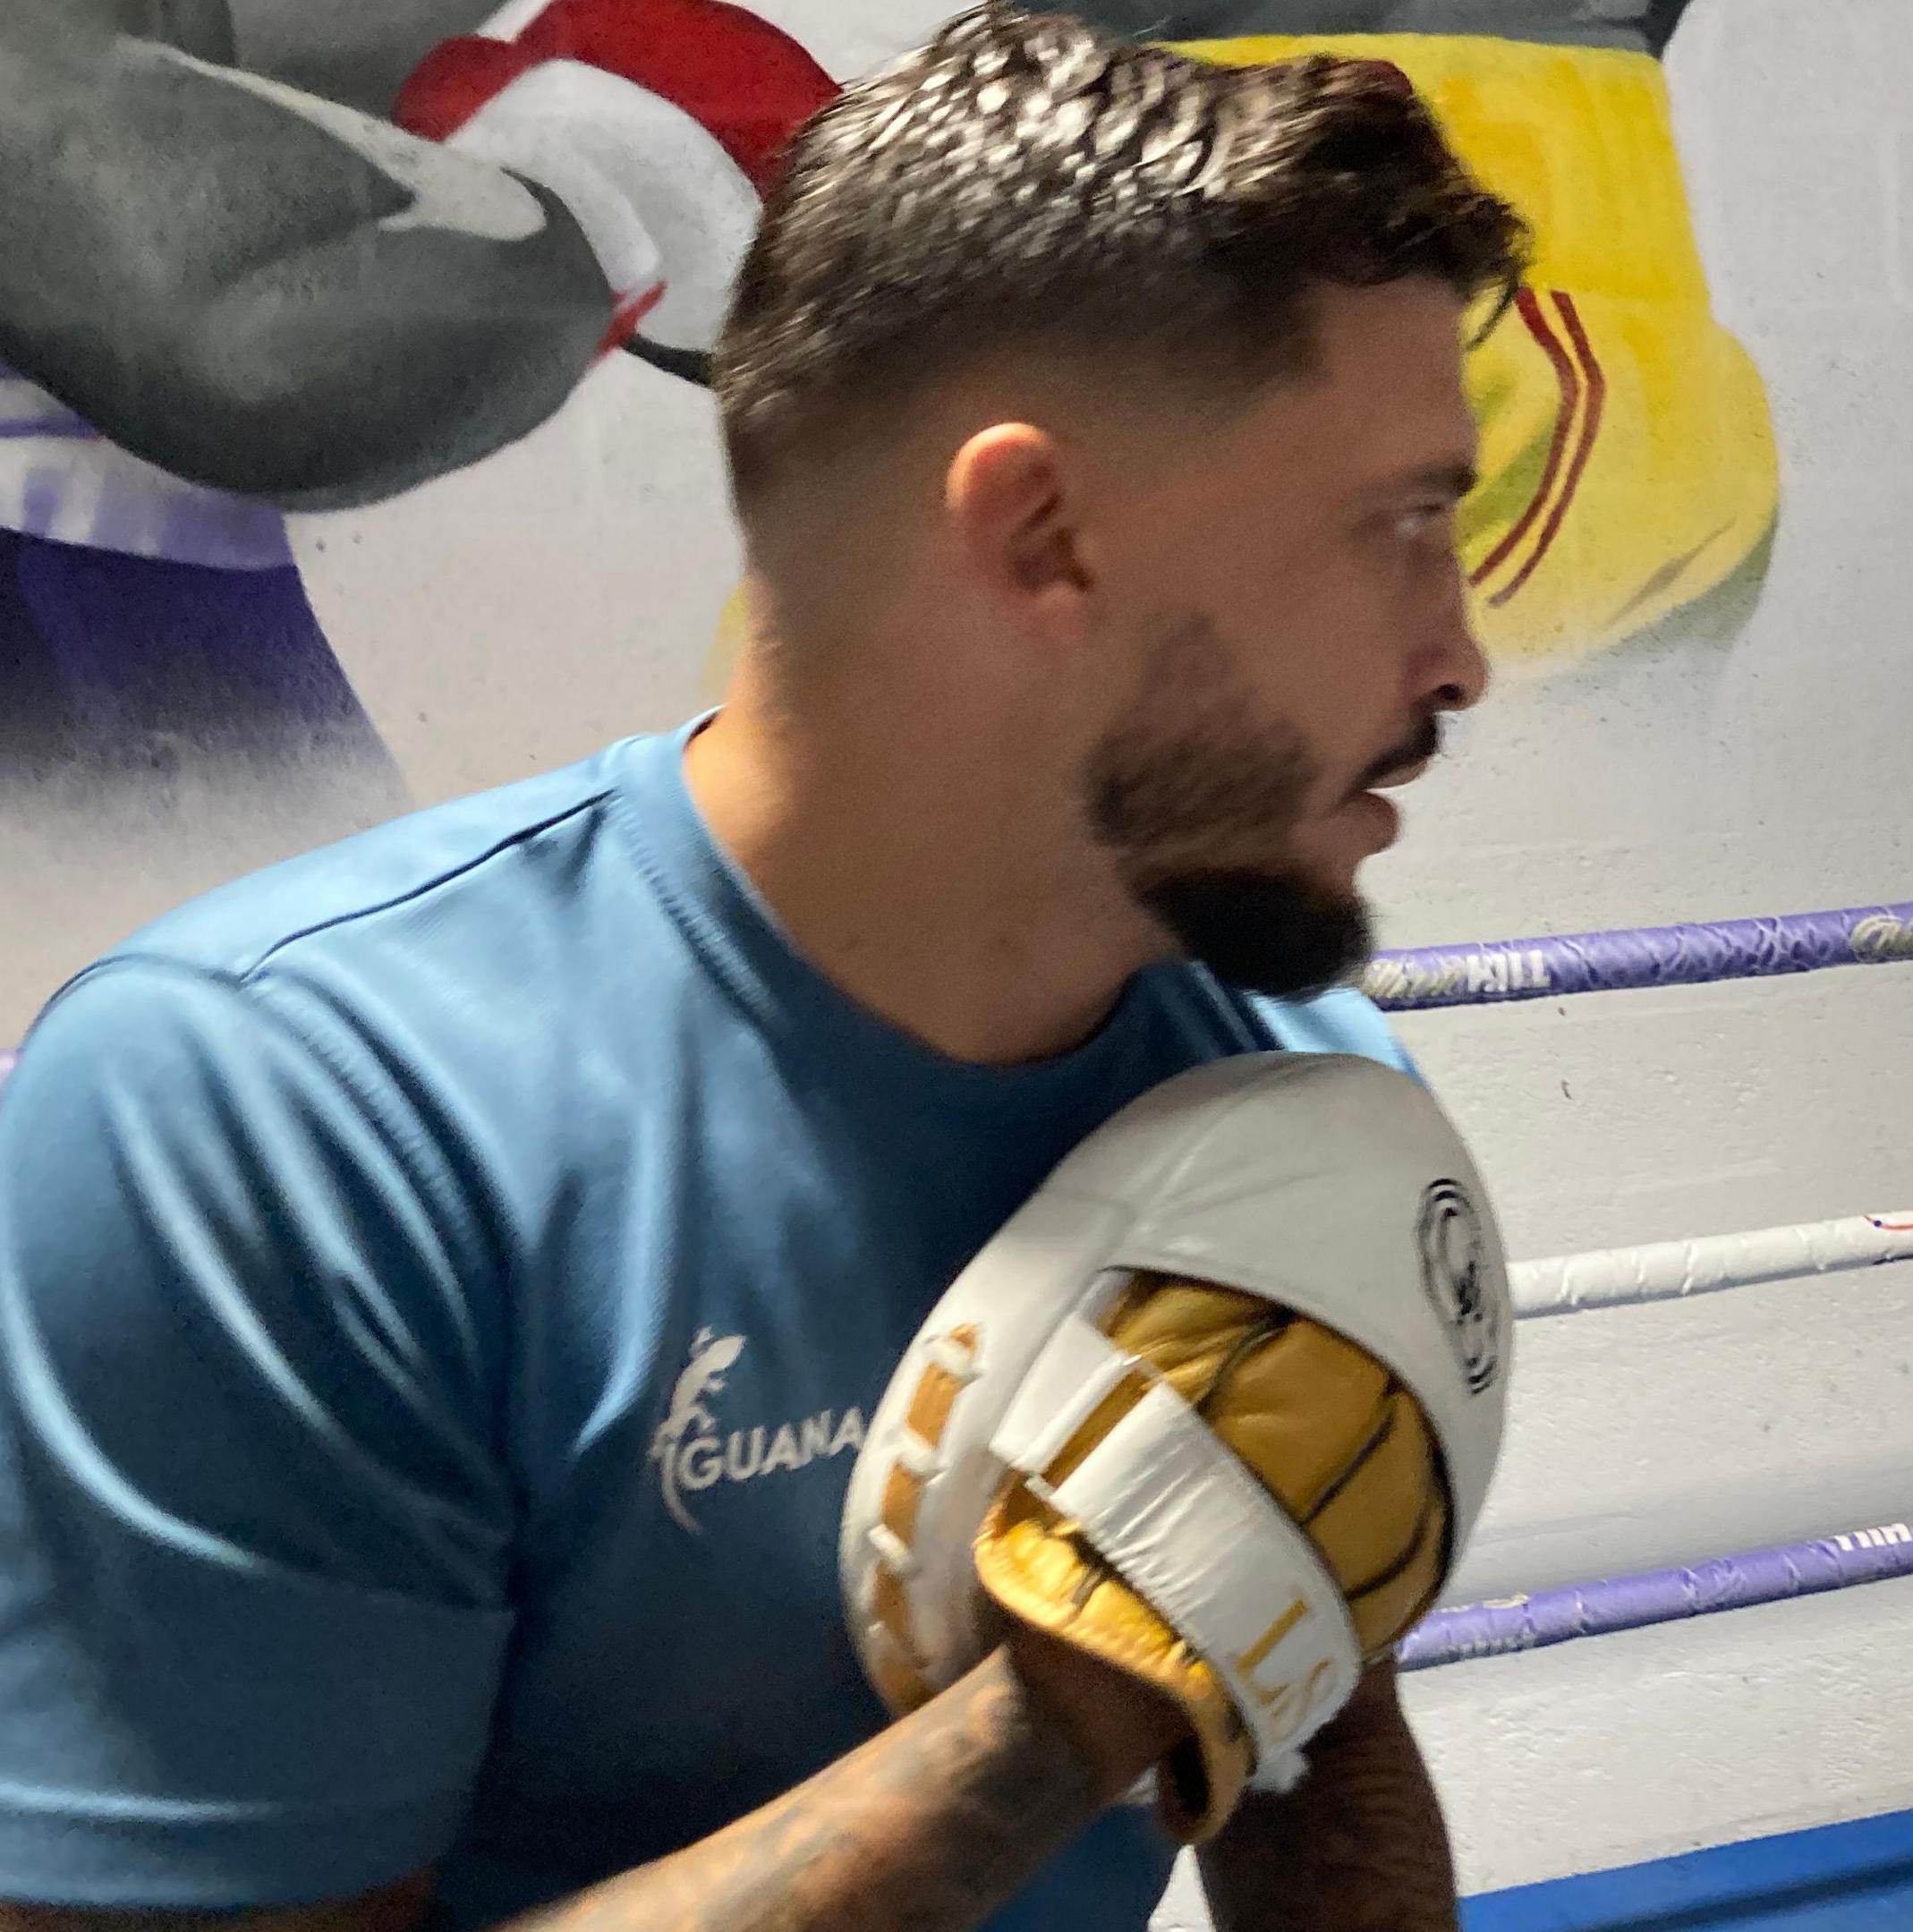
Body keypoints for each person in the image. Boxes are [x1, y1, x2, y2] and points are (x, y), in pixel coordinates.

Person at [0, 5, 1523, 1928]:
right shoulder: (281, 1125)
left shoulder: (1286, 1087)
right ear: (1043, 538)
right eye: (1394, 527)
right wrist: (1055, 1716)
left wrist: (1244, 1616)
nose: (1460, 653)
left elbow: (1309, 1739)